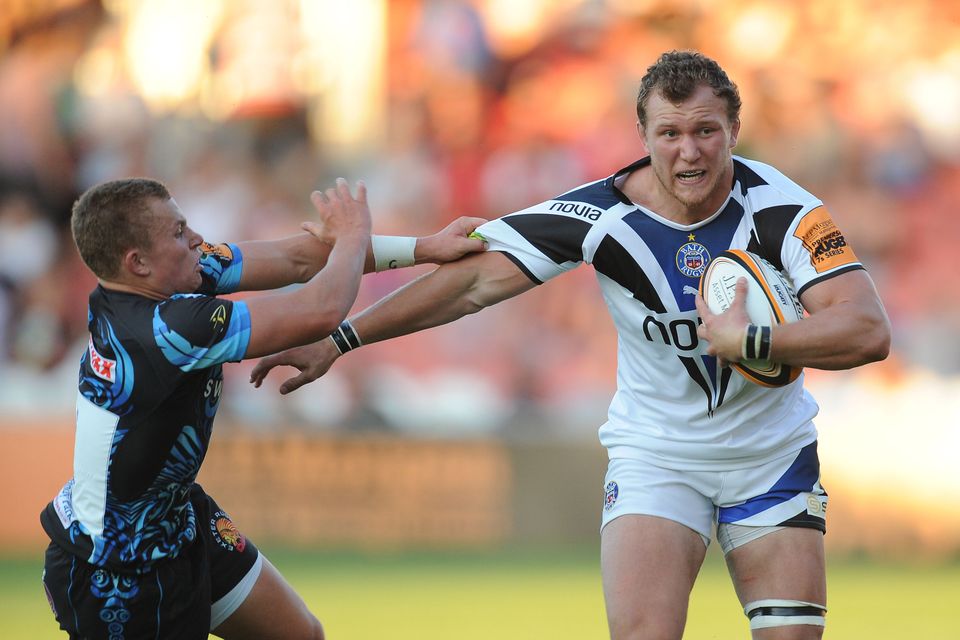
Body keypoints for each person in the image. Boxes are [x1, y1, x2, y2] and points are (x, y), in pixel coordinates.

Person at [251, 51, 892, 639]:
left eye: (706, 131)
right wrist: (339, 338)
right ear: (643, 139)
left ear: (734, 131)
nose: (689, 152)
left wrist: (751, 337)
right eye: (670, 134)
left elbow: (867, 329)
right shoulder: (601, 215)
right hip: (657, 457)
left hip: (770, 458)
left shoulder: (785, 209)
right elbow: (471, 281)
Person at [40, 176, 486, 639]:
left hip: (174, 520)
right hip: (116, 570)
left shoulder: (166, 279)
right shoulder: (165, 331)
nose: (196, 239)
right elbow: (321, 308)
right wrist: (352, 232)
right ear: (138, 263)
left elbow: (299, 258)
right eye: (177, 232)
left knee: (300, 635)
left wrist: (426, 247)